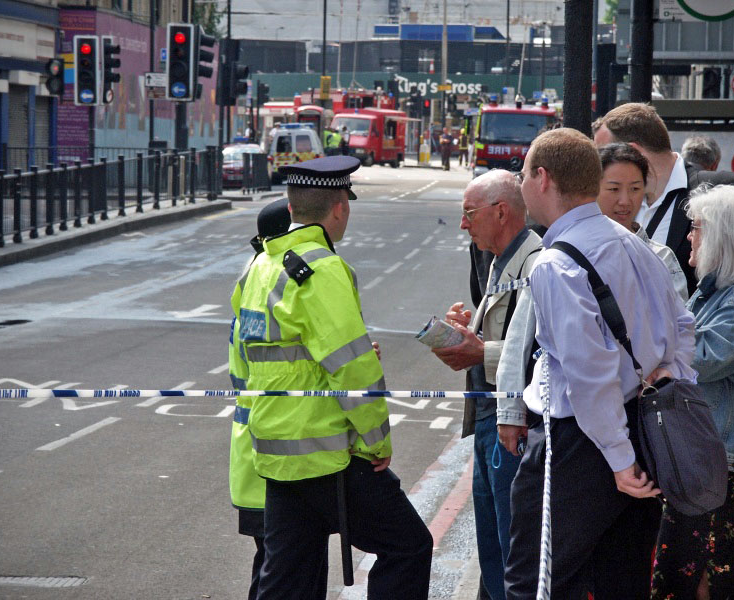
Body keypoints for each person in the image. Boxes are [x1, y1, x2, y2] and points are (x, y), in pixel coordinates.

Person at [501, 128, 697, 599]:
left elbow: (591, 372)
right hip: (644, 428)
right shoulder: (630, 241)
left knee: (535, 582)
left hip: (583, 443)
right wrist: (674, 374)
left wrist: (618, 458)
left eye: (524, 173)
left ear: (542, 178)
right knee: (620, 579)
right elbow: (684, 325)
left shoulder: (553, 262)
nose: (521, 182)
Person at [229, 156, 433, 600]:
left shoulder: (262, 267)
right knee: (409, 546)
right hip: (327, 455)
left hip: (275, 452)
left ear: (290, 203)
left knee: (288, 579)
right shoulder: (321, 268)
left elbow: (245, 361)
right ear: (340, 207)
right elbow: (353, 367)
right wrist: (378, 442)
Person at [651, 185, 734, 599]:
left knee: (714, 577)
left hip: (723, 464)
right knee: (683, 573)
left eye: (696, 228)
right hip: (705, 460)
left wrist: (654, 338)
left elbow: (704, 355)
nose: (689, 236)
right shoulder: (715, 290)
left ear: (724, 236)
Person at [431, 170, 542, 600]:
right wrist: (466, 331)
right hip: (487, 415)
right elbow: (502, 334)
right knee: (492, 543)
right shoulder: (499, 258)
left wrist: (479, 352)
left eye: (468, 214)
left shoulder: (536, 262)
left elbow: (537, 353)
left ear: (501, 211)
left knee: (511, 541)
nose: (463, 224)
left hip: (511, 419)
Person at [229, 198, 324, 600]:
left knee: (271, 570)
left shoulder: (250, 285)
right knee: (286, 576)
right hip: (283, 458)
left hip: (251, 453)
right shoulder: (282, 281)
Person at [593, 103, 734, 295]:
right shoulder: (605, 203)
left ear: (632, 152)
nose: (596, 165)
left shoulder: (724, 191)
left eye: (604, 153)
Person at [597, 143, 689, 301]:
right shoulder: (575, 249)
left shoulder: (660, 257)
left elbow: (679, 320)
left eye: (635, 189)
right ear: (593, 189)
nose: (625, 201)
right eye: (614, 189)